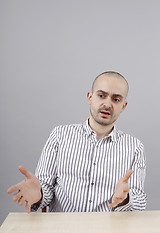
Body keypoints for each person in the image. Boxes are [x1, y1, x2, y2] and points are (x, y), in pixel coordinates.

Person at [7, 71, 147, 213]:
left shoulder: (134, 147)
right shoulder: (60, 135)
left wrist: (125, 200)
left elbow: (139, 201)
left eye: (116, 99)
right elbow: (45, 188)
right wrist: (39, 194)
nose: (107, 104)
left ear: (123, 106)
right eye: (101, 96)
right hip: (61, 232)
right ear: (90, 98)